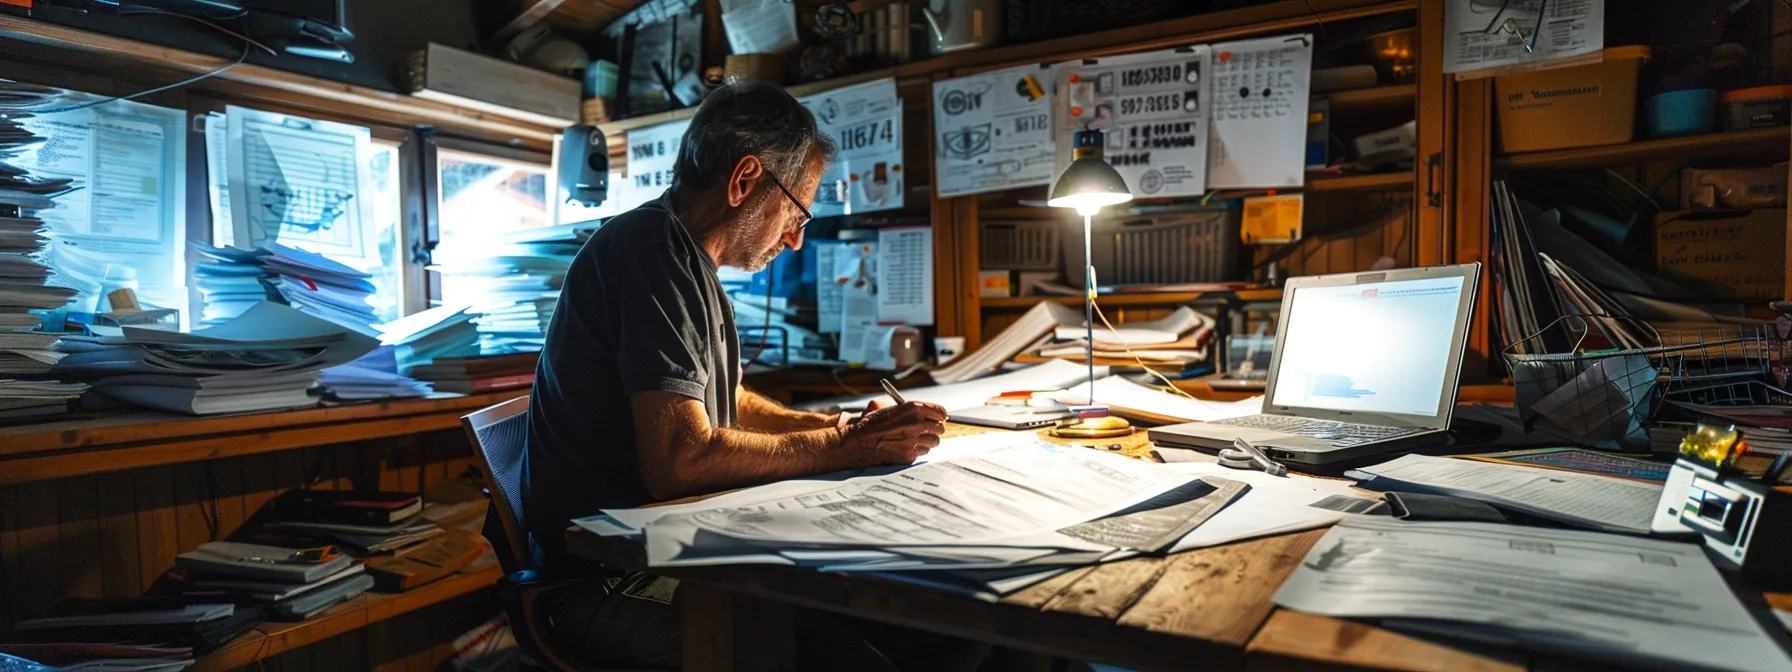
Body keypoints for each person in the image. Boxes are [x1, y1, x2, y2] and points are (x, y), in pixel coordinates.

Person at [523, 83, 977, 669]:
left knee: (934, 624)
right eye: (796, 213)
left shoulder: (684, 258)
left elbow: (724, 399)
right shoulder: (649, 253)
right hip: (608, 580)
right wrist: (842, 446)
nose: (795, 239)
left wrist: (835, 425)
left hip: (663, 548)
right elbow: (679, 460)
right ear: (744, 181)